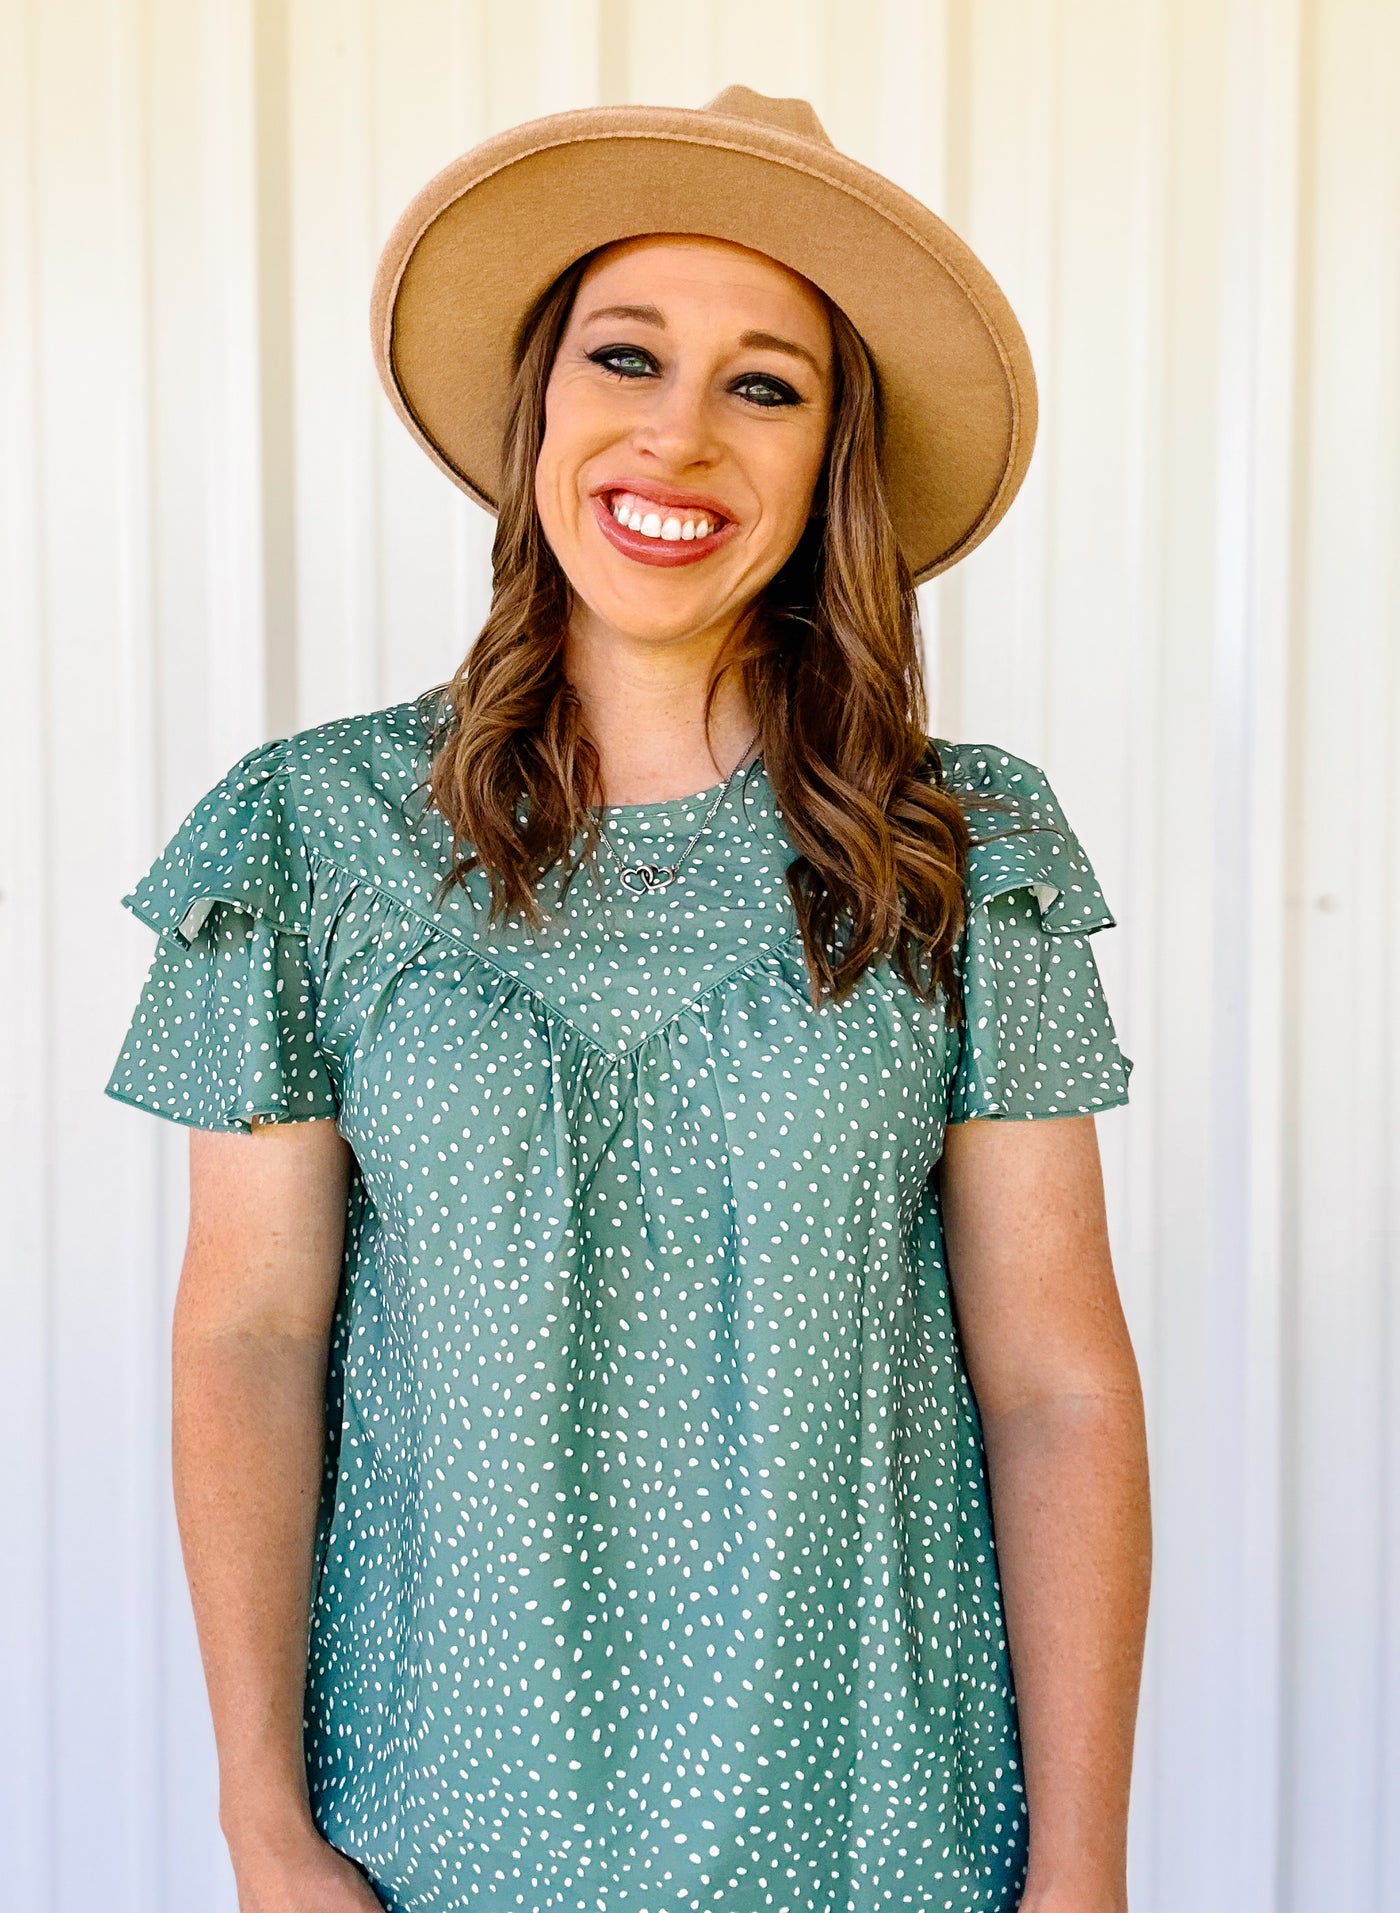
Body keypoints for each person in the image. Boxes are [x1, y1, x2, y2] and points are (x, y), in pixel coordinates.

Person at [107, 85, 1150, 1913]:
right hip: (431, 1829)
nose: (680, 436)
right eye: (626, 355)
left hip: (875, 1827)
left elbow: (1058, 1380)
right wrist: (263, 1824)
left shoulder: (964, 851)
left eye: (766, 384)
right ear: (538, 412)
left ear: (831, 464)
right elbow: (246, 1342)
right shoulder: (310, 836)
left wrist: (1085, 1869)